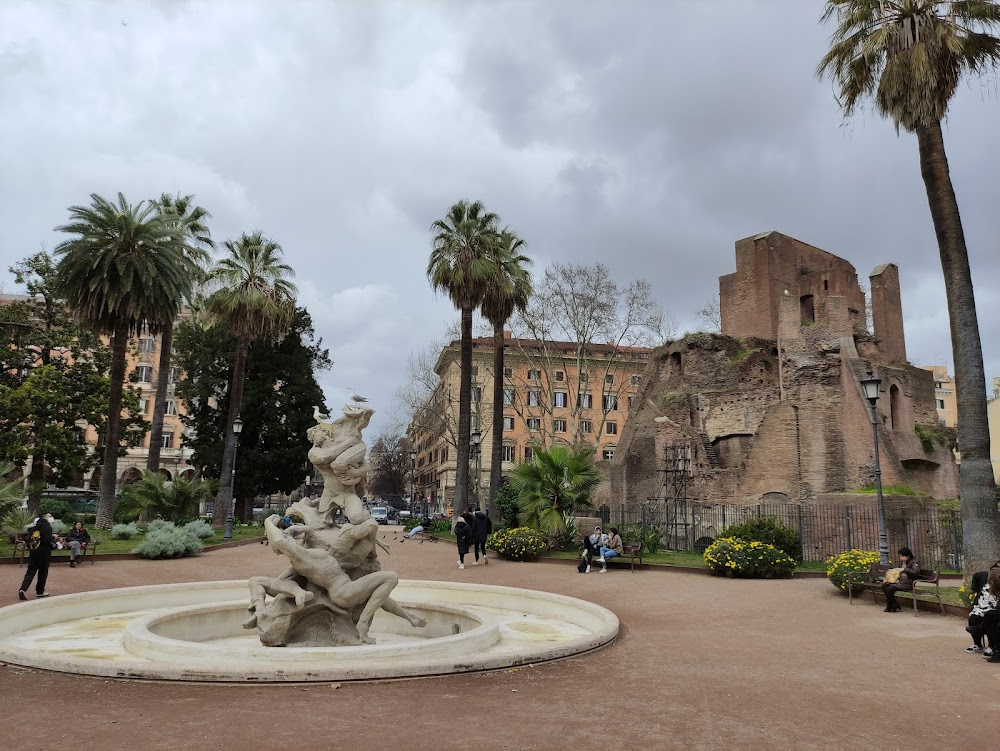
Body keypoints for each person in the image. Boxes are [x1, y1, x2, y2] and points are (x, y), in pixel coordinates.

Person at [18, 513, 54, 600]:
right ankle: (40, 591)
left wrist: (31, 548)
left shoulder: (34, 527)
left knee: (30, 572)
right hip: (44, 553)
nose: (51, 517)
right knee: (43, 572)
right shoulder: (47, 527)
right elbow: (47, 540)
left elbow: (27, 538)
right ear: (45, 518)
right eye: (49, 516)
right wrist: (53, 541)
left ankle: (23, 589)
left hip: (34, 553)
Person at [966, 567, 1000, 653]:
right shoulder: (986, 579)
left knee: (990, 617)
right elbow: (976, 575)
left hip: (994, 609)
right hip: (986, 607)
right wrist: (975, 590)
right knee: (974, 617)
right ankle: (977, 644)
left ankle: (992, 646)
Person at [880, 547, 920, 612]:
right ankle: (894, 604)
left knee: (890, 589)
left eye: (902, 556)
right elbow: (897, 568)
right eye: (900, 556)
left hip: (908, 583)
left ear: (908, 556)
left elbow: (915, 572)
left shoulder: (914, 562)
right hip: (899, 582)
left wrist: (904, 569)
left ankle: (890, 606)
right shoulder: (902, 562)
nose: (901, 558)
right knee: (884, 586)